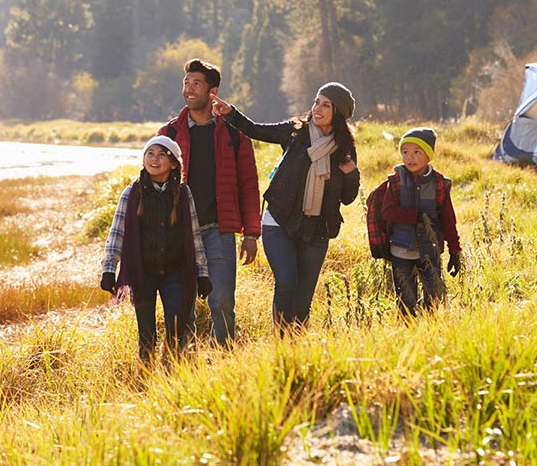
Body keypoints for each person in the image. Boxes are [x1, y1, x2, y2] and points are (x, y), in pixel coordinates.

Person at [211, 82, 359, 329]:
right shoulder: (295, 131)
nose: (318, 109)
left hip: (316, 230)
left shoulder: (344, 149)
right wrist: (230, 113)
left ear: (339, 113)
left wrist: (351, 173)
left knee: (303, 300)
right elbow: (256, 130)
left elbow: (348, 198)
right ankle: (281, 342)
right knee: (287, 282)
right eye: (316, 102)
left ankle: (295, 345)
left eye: (326, 105)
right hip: (279, 221)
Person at [159, 58, 262, 346]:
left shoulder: (234, 135)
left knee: (222, 299)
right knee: (182, 303)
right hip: (180, 231)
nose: (189, 89)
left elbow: (249, 187)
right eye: (186, 83)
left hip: (219, 230)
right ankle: (182, 358)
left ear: (212, 91)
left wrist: (251, 234)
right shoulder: (169, 134)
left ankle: (224, 354)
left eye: (196, 84)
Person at [101, 136, 211, 361]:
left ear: (173, 164)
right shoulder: (132, 193)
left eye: (162, 154)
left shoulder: (183, 194)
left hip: (175, 272)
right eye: (150, 154)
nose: (154, 159)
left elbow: (194, 235)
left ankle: (172, 366)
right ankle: (146, 370)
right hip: (143, 273)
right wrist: (109, 270)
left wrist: (202, 273)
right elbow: (117, 233)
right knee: (146, 333)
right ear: (143, 159)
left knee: (177, 327)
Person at [376, 127, 463, 316]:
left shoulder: (439, 183)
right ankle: (408, 329)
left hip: (430, 251)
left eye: (417, 152)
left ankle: (428, 327)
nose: (410, 157)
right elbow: (387, 212)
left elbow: (448, 220)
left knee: (433, 298)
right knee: (406, 303)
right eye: (405, 152)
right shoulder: (396, 181)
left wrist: (454, 251)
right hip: (401, 252)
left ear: (429, 155)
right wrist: (415, 216)